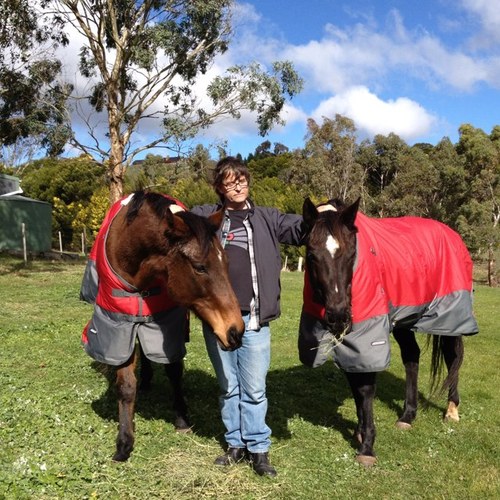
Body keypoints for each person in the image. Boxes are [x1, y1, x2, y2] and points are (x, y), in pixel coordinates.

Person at [191, 156, 305, 478]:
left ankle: (258, 450)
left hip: (253, 320)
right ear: (220, 188)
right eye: (229, 181)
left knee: (254, 389)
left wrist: (321, 213)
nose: (238, 185)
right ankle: (234, 445)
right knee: (228, 387)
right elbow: (179, 217)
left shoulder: (267, 218)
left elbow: (299, 229)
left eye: (241, 179)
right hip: (218, 320)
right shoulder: (208, 219)